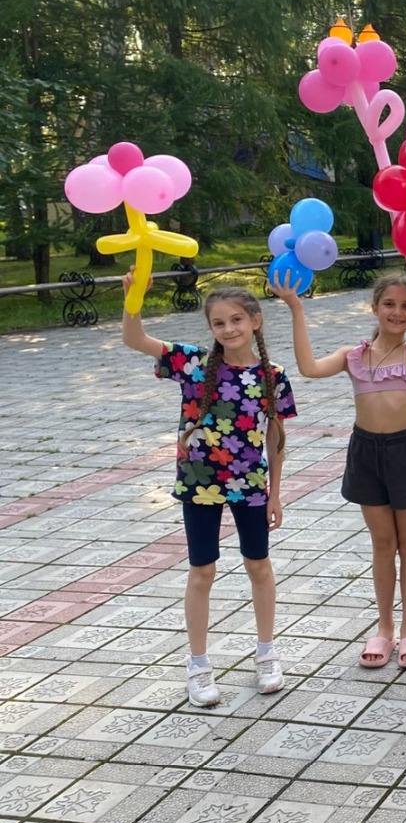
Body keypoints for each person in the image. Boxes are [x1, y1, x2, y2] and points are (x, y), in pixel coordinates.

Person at [121, 272, 296, 707]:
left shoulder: (272, 376)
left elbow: (275, 440)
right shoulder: (193, 363)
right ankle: (198, 665)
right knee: (202, 571)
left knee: (259, 566)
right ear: (211, 328)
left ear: (255, 321)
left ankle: (267, 653)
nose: (229, 329)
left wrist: (275, 493)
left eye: (236, 319)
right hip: (199, 485)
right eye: (219, 323)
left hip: (250, 486)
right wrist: (133, 299)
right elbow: (135, 339)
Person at [271, 257, 406, 669]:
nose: (398, 312)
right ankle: (384, 627)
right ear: (374, 307)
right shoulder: (353, 355)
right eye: (389, 304)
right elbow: (309, 368)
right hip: (365, 452)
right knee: (382, 544)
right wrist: (296, 308)